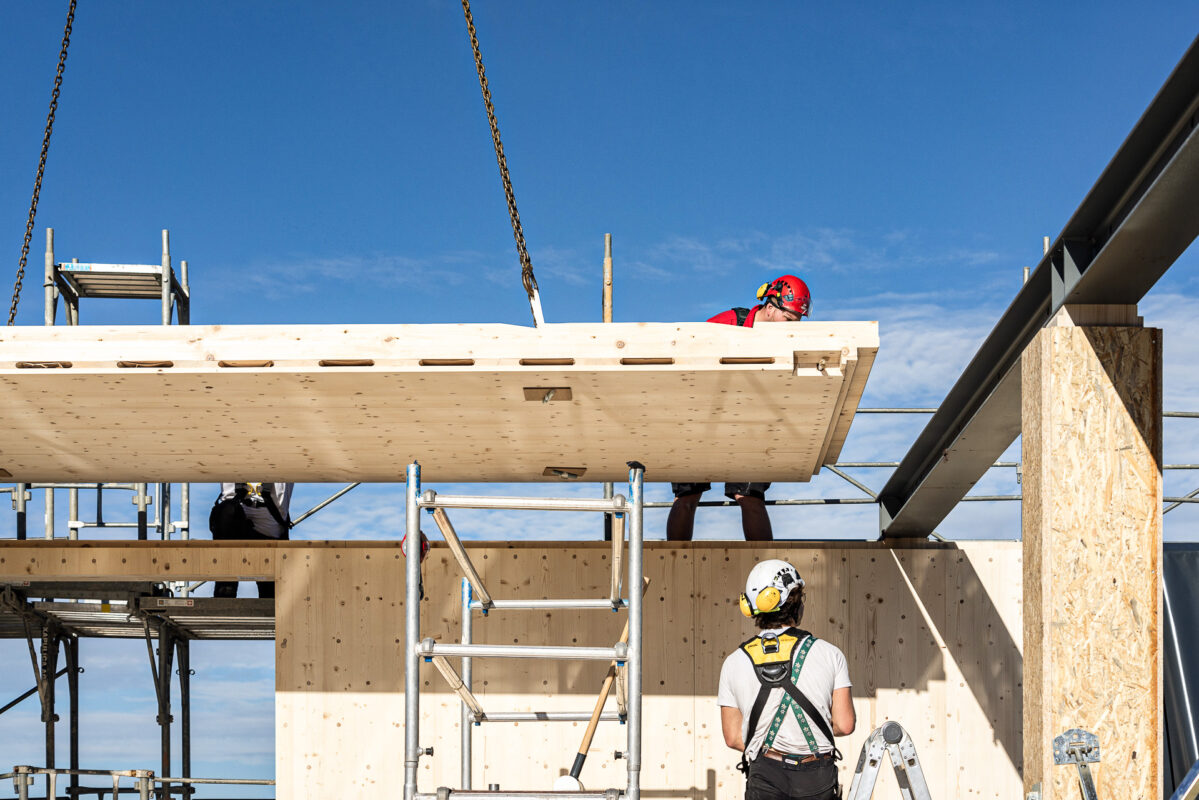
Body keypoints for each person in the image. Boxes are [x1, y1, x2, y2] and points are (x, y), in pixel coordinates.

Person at [666, 275, 812, 542]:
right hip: (701, 415)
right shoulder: (731, 324)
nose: (793, 328)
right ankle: (677, 565)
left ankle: (766, 573)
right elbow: (689, 353)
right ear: (771, 307)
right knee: (687, 495)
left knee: (749, 496)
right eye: (789, 320)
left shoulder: (789, 341)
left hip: (750, 424)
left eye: (798, 322)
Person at [718, 559, 854, 800]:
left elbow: (733, 737)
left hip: (765, 776)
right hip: (817, 778)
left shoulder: (734, 662)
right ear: (795, 603)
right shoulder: (830, 654)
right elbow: (844, 725)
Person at [209, 482, 294, 598]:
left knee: (270, 595)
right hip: (236, 525)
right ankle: (226, 590)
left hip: (269, 532)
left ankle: (268, 602)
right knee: (226, 512)